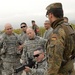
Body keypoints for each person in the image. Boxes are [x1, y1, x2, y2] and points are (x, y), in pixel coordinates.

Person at [45, 2, 75, 75]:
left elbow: (55, 60)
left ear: (51, 15)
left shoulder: (57, 32)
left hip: (61, 71)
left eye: (48, 16)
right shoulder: (68, 27)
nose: (48, 18)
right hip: (70, 68)